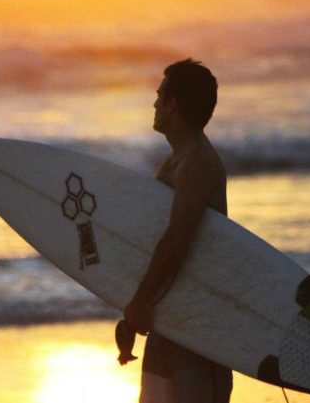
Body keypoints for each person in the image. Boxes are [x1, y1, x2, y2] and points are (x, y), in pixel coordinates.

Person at [123, 58, 232, 403]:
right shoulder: (176, 159)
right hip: (170, 316)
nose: (154, 103)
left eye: (159, 96)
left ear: (172, 105)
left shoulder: (197, 162)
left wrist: (139, 301)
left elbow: (177, 240)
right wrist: (130, 310)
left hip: (198, 322)